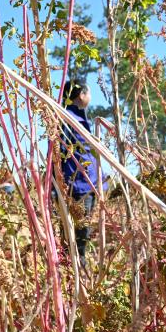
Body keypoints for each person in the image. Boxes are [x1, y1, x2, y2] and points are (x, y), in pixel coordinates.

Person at [60, 79, 106, 266]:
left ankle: (76, 267)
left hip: (88, 184)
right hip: (78, 186)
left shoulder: (80, 119)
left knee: (81, 230)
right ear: (82, 95)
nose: (90, 96)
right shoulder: (69, 120)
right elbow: (59, 152)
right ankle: (74, 268)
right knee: (77, 233)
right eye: (89, 92)